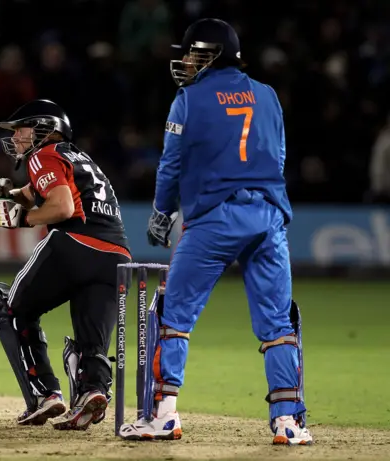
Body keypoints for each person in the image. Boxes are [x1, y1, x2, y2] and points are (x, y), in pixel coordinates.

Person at [118, 19, 313, 445]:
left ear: (212, 54)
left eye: (192, 53)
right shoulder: (268, 95)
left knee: (172, 316)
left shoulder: (187, 98)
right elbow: (277, 156)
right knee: (278, 324)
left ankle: (163, 415)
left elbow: (172, 163)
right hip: (268, 217)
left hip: (215, 219)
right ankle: (289, 422)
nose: (185, 60)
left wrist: (161, 211)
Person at [0, 99, 131, 430]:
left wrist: (21, 219)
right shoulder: (78, 158)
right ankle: (92, 393)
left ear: (46, 129)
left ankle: (45, 394)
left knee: (11, 312)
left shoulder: (43, 155)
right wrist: (3, 193)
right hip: (116, 257)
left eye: (21, 129)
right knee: (92, 341)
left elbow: (60, 207)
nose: (16, 137)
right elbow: (37, 191)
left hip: (74, 245)